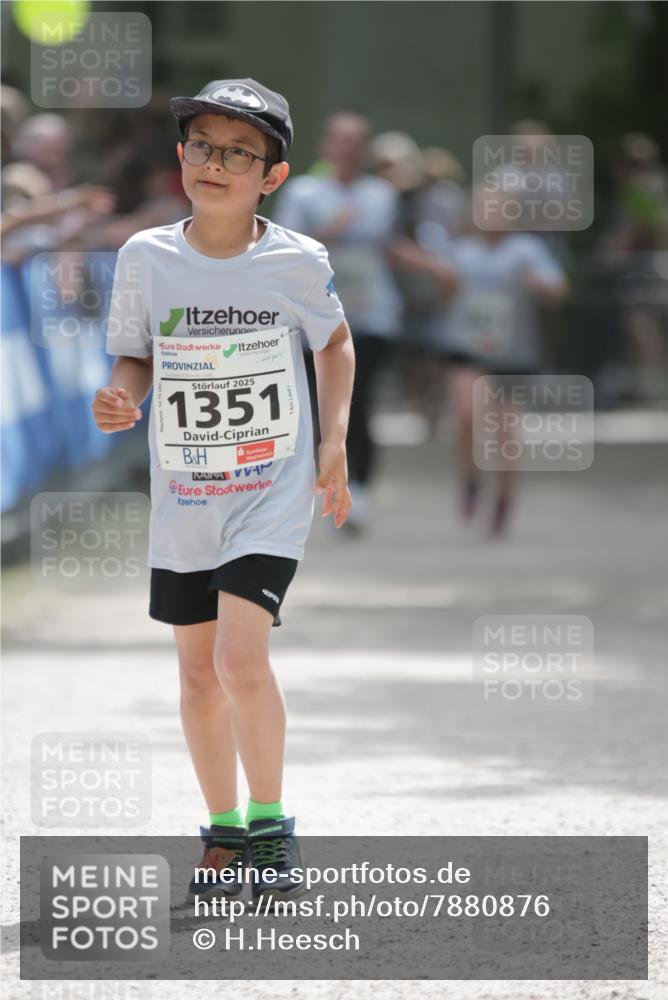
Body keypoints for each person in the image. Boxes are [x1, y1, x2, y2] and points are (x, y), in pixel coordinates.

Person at [92, 78, 354, 905]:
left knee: (242, 659)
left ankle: (272, 826)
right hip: (186, 497)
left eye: (238, 152)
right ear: (180, 157)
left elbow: (336, 343)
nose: (215, 163)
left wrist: (334, 441)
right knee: (198, 675)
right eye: (202, 145)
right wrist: (123, 395)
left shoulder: (297, 261)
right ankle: (223, 829)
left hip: (269, 488)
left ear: (271, 176)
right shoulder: (145, 257)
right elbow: (134, 354)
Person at [430, 185, 568, 536]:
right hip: (467, 349)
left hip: (514, 355)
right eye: (486, 208)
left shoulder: (526, 250)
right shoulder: (460, 251)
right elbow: (441, 298)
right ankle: (470, 480)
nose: (492, 215)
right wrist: (446, 287)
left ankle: (504, 499)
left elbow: (557, 290)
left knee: (506, 434)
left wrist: (542, 286)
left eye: (500, 208)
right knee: (465, 413)